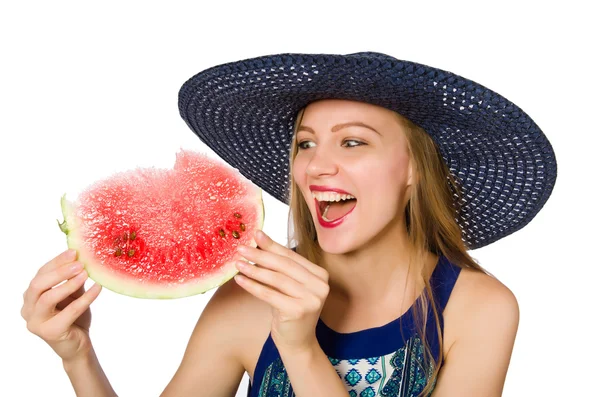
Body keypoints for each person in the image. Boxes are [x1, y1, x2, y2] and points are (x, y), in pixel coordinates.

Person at [22, 52, 557, 396]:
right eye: (305, 143)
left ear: (415, 168)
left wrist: (300, 349)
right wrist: (78, 358)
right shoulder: (247, 298)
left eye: (353, 141)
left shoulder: (476, 308)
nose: (316, 166)